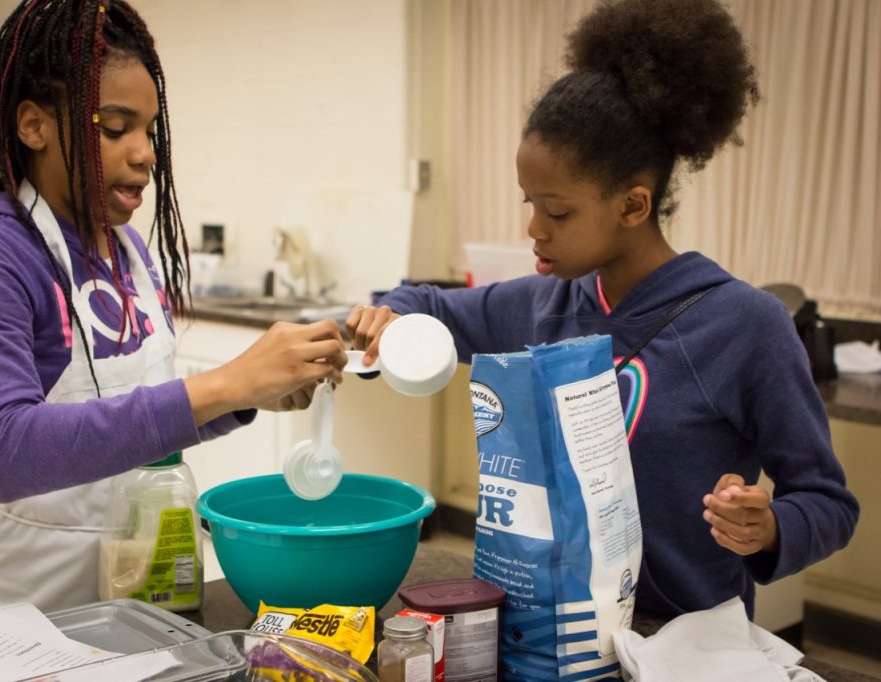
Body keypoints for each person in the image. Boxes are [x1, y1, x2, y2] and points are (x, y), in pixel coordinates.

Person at [347, 0, 858, 623]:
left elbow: (829, 502)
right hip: (545, 635)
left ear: (634, 205)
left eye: (557, 212)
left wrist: (769, 525)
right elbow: (423, 303)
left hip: (677, 643)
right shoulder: (544, 303)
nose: (533, 228)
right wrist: (388, 318)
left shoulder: (745, 326)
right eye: (529, 202)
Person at [0, 0, 346, 613]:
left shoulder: (126, 250)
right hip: (18, 603)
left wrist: (245, 396)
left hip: (134, 590)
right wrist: (223, 383)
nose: (146, 152)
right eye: (116, 127)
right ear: (33, 125)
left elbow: (131, 417)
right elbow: (2, 450)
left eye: (150, 130)